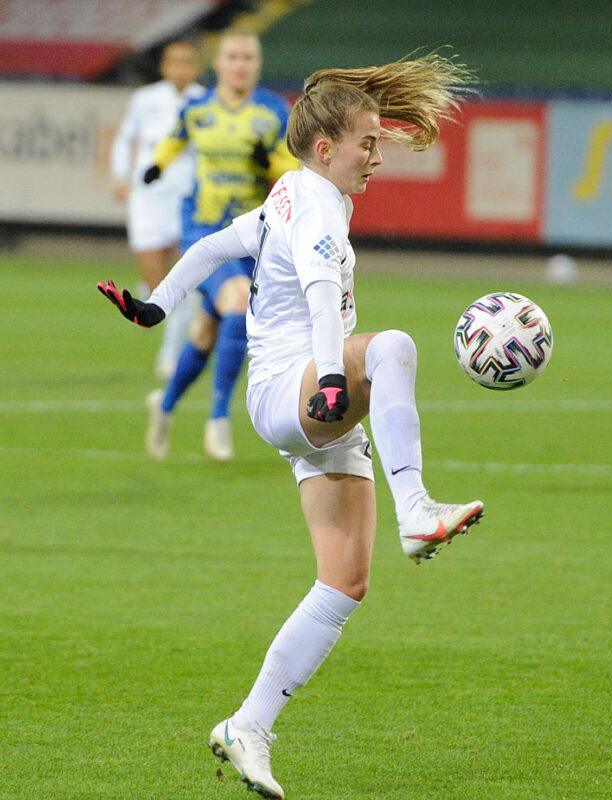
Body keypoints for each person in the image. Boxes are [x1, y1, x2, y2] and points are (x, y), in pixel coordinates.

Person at [98, 52, 483, 800]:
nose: (379, 154)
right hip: (291, 389)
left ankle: (249, 726)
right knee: (396, 348)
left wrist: (156, 306)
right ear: (324, 146)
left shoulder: (294, 194)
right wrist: (336, 378)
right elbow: (315, 293)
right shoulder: (314, 209)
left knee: (344, 582)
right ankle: (418, 510)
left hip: (306, 398)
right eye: (369, 142)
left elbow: (214, 245)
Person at [142, 29, 297, 461]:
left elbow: (291, 164)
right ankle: (218, 417)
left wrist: (271, 162)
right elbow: (175, 139)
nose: (241, 64)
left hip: (251, 235)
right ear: (219, 63)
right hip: (203, 229)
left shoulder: (271, 110)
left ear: (257, 64)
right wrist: (157, 165)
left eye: (248, 57)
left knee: (210, 329)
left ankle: (166, 405)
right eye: (233, 56)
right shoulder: (198, 108)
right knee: (237, 304)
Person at [110, 40, 205, 380]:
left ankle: (170, 353)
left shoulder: (205, 101)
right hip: (148, 197)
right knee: (154, 286)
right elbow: (124, 138)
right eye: (174, 62)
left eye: (187, 62)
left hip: (188, 199)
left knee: (184, 279)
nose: (181, 68)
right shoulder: (144, 99)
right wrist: (121, 175)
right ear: (164, 66)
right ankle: (153, 305)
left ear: (197, 66)